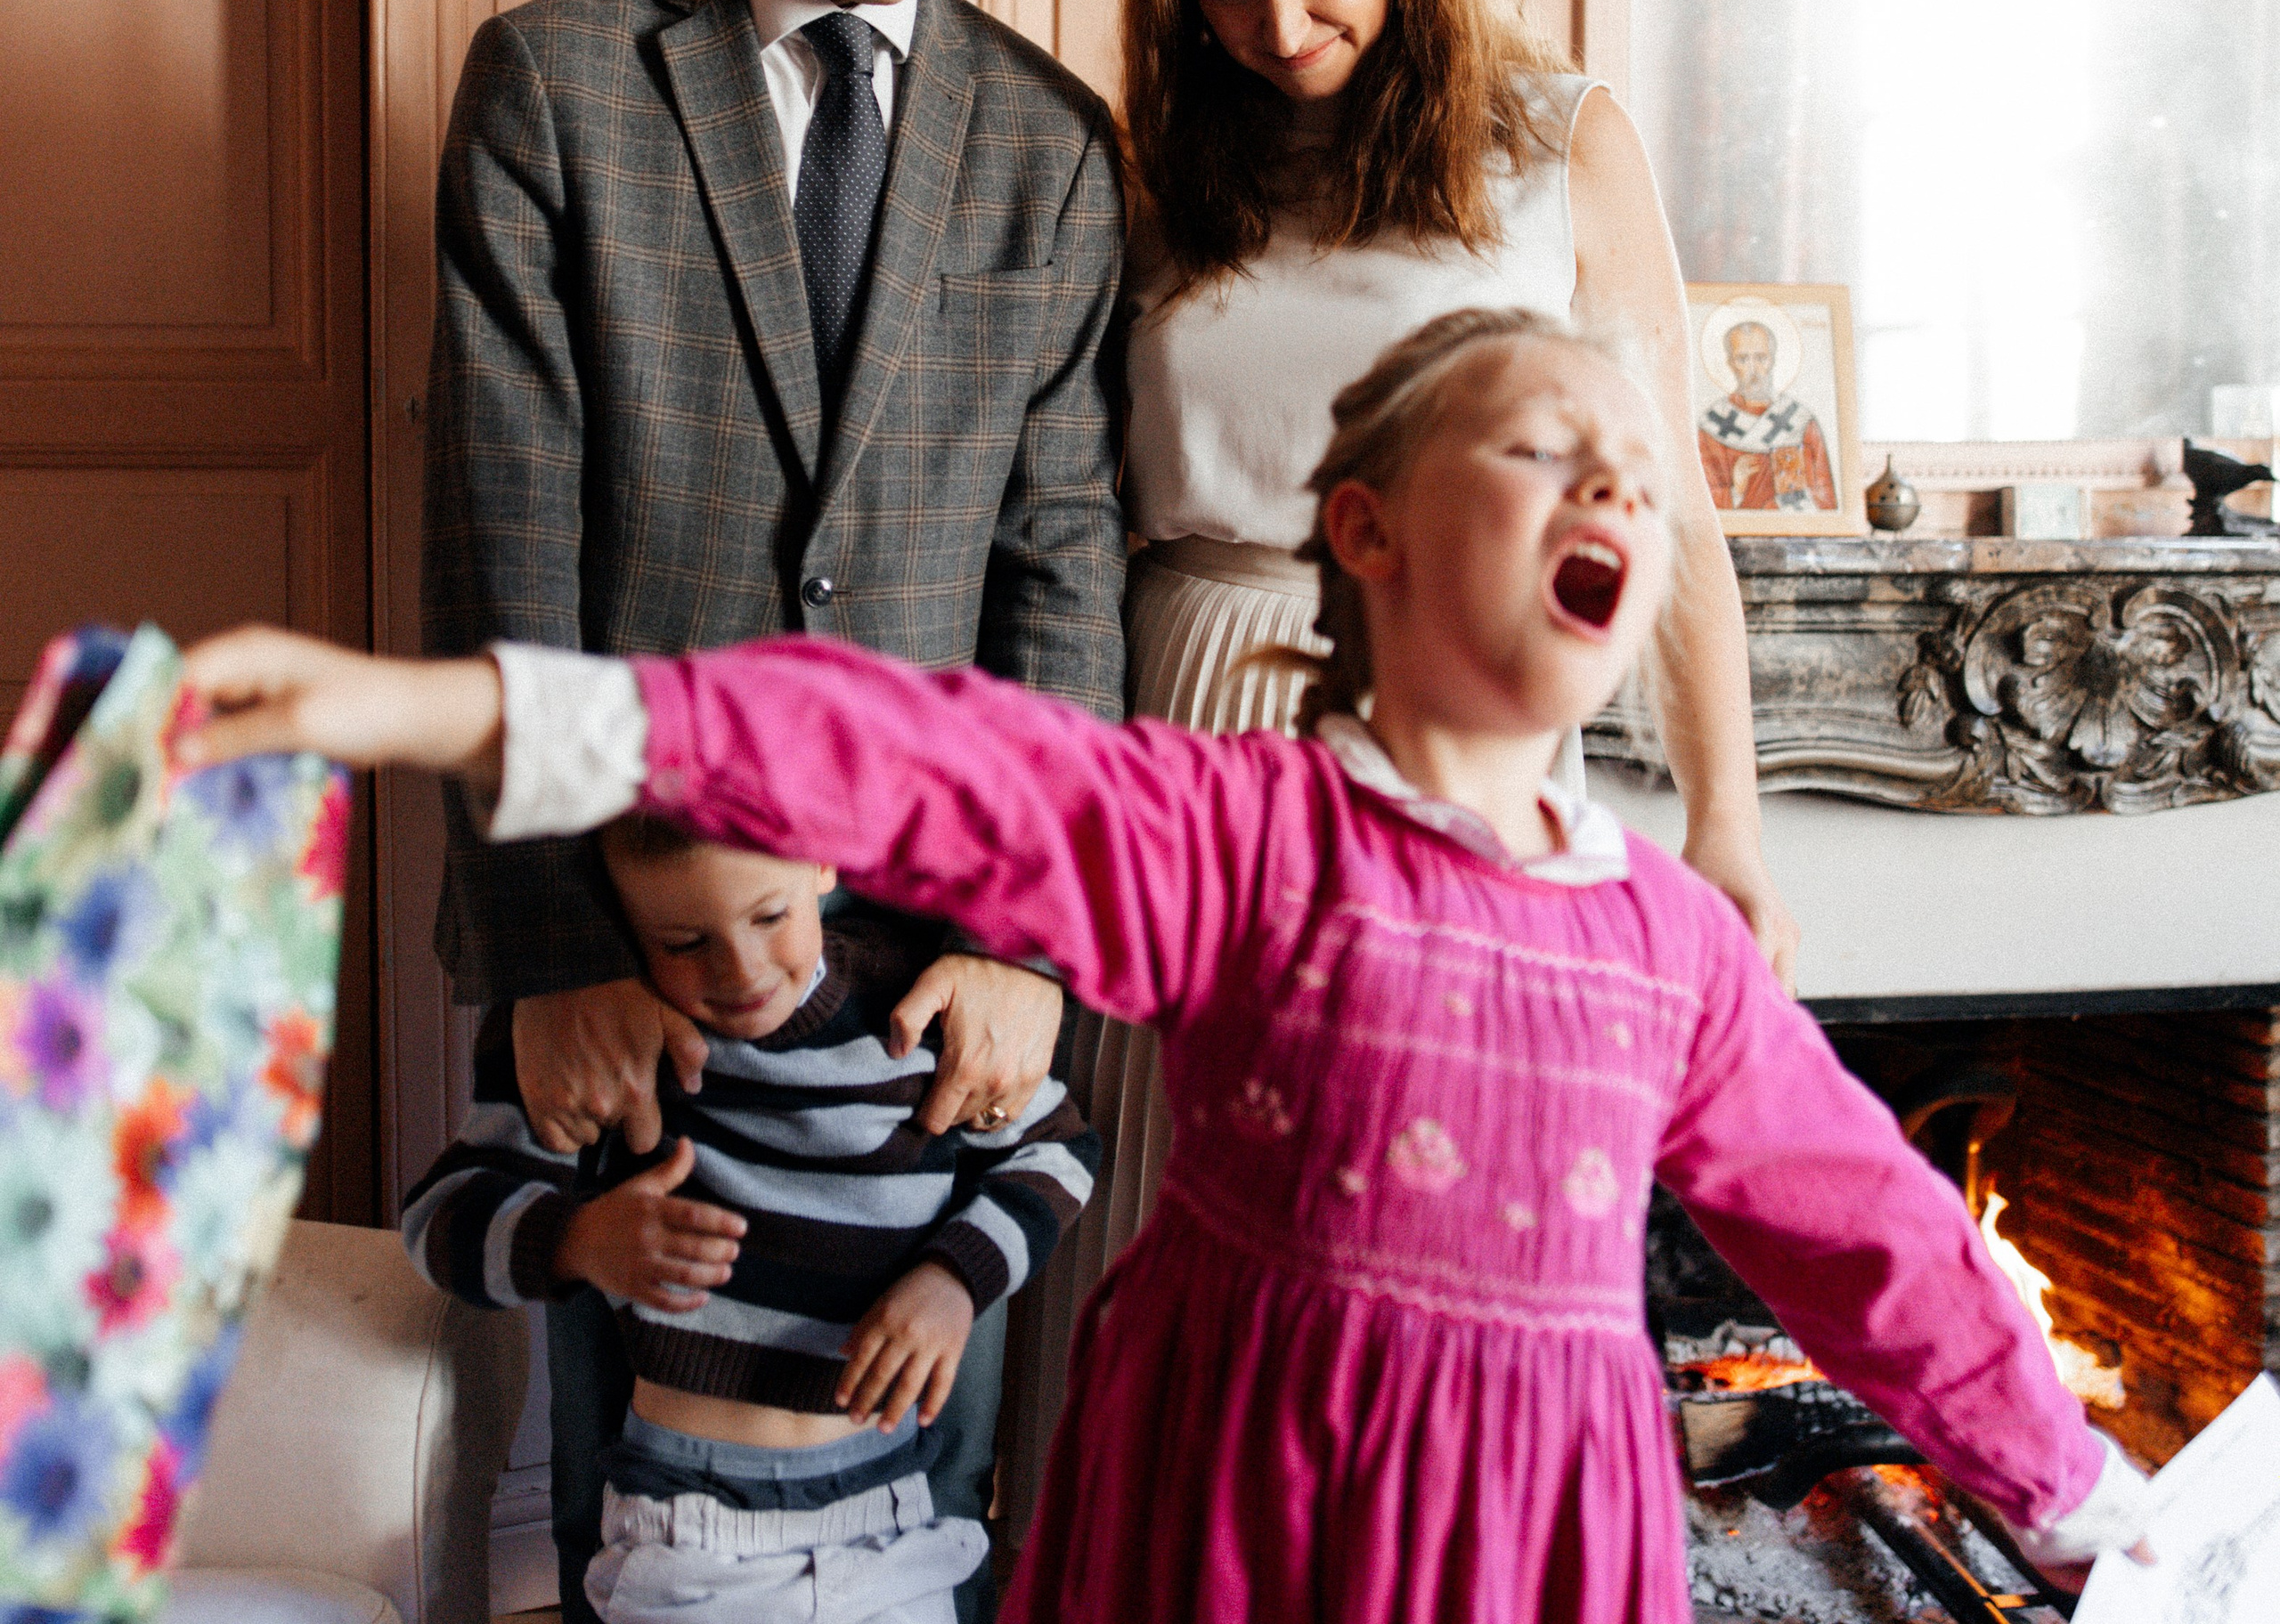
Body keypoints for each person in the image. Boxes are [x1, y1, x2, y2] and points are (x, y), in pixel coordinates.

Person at [183, 306, 2152, 1622]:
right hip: (1234, 1517)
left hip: (1537, 1544)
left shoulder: (1671, 948)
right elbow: (902, 749)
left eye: (1634, 466)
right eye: (1546, 445)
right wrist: (445, 702)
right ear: (1365, 531)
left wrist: (2072, 1495)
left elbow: (1874, 1227)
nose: (1613, 484)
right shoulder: (1241, 831)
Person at [421, 0, 1127, 1616]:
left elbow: (1059, 571)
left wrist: (1030, 940)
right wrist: (554, 948)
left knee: (932, 1506)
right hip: (637, 956)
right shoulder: (555, 86)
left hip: (932, 978)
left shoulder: (1052, 145)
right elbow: (501, 536)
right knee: (620, 1515)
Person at [1042, 0, 1796, 1413]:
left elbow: (1661, 511)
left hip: (1452, 725)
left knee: (1407, 1259)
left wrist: (1725, 821)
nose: (1283, 28)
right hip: (1189, 729)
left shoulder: (1553, 139)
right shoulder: (1162, 162)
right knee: (1173, 1256)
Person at [399, 816, 1098, 1624]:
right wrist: (578, 1240)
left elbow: (1061, 1150)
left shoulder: (912, 1015)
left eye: (769, 917)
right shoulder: (613, 1043)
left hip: (892, 1530)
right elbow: (439, 1219)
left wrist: (955, 1278)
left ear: (825, 861)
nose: (742, 970)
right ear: (621, 919)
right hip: (690, 1545)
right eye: (685, 940)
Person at [1697, 315, 1838, 515]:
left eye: (1761, 357)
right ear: (1730, 363)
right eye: (1743, 358)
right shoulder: (1712, 426)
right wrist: (1736, 490)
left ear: (1772, 359)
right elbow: (1696, 505)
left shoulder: (1801, 421)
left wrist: (1784, 505)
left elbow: (1827, 500)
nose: (1753, 369)